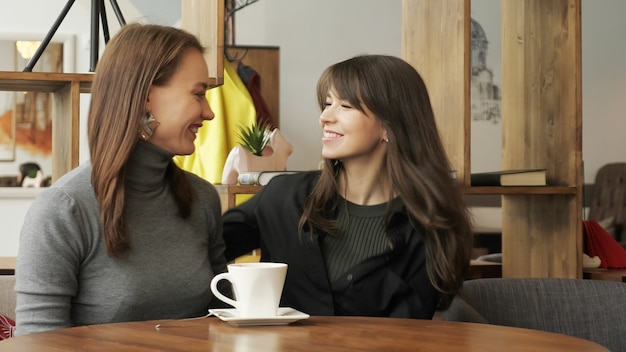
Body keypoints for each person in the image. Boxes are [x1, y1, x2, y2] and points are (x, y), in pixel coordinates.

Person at [222, 54, 473, 319]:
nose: (325, 117)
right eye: (328, 103)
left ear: (390, 125)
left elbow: (415, 333)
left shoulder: (431, 226)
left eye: (345, 106)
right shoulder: (282, 197)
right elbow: (200, 255)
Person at [14, 23, 226, 335]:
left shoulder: (202, 199)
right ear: (144, 97)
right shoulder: (64, 210)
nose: (209, 113)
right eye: (198, 94)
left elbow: (222, 318)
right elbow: (37, 343)